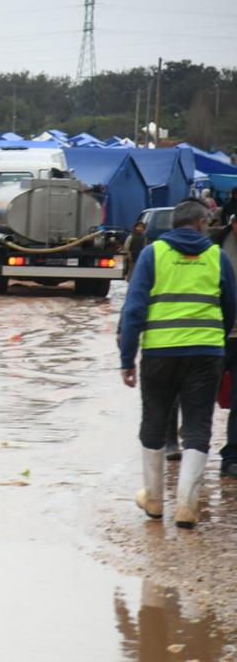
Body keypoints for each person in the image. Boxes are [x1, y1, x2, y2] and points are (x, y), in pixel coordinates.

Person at [120, 199, 237, 528]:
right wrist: (215, 339)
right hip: (206, 352)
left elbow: (133, 310)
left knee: (154, 420)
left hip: (160, 352)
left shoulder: (152, 254)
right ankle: (187, 506)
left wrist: (127, 358)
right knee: (198, 425)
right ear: (201, 224)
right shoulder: (217, 256)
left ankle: (154, 501)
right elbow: (231, 307)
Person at [211, 213, 237, 478]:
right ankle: (193, 444)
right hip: (214, 335)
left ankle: (231, 458)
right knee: (202, 396)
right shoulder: (214, 246)